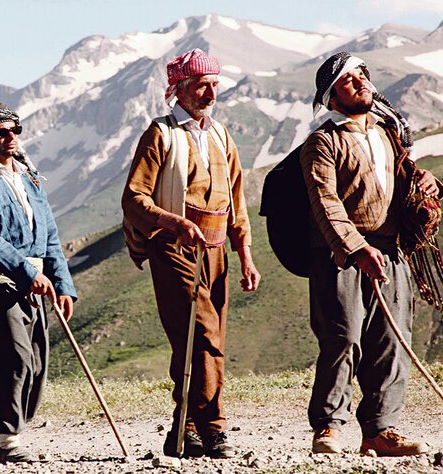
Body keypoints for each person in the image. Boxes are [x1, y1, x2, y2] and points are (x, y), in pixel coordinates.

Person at [300, 52, 442, 456]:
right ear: (331, 98)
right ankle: (328, 426)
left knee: (391, 341)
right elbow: (325, 204)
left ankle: (380, 430)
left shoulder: (387, 134)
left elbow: (406, 178)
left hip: (390, 252)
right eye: (348, 80)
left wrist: (428, 183)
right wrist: (356, 248)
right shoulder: (323, 142)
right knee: (343, 337)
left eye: (362, 74)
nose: (360, 82)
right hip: (340, 255)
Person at [122, 49, 260, 459]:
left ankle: (184, 429)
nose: (210, 93)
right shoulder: (161, 134)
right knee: (203, 335)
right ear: (179, 89)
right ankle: (213, 427)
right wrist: (174, 223)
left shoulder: (221, 135)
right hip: (174, 248)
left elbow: (236, 201)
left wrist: (245, 253)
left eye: (214, 85)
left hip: (216, 251)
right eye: (201, 85)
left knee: (200, 341)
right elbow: (134, 198)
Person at [0, 103, 77, 464]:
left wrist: (63, 285)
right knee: (14, 360)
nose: (11, 137)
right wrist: (28, 273)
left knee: (37, 364)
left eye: (15, 130)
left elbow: (50, 236)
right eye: (1, 132)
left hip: (34, 286)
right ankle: (8, 440)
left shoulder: (31, 180)